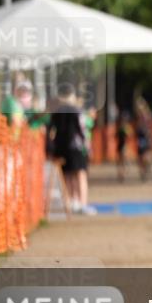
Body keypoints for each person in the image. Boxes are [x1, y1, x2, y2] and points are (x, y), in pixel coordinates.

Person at [49, 85, 95, 216]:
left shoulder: (56, 112)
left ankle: (71, 201)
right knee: (80, 175)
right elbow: (82, 130)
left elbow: (51, 131)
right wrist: (88, 146)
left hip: (61, 148)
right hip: (76, 148)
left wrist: (52, 148)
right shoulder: (76, 111)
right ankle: (82, 203)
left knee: (67, 175)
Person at [134, 97, 152, 182]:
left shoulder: (147, 115)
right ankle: (142, 172)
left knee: (145, 156)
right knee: (139, 158)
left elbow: (149, 127)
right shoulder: (137, 117)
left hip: (145, 138)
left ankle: (147, 167)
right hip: (139, 138)